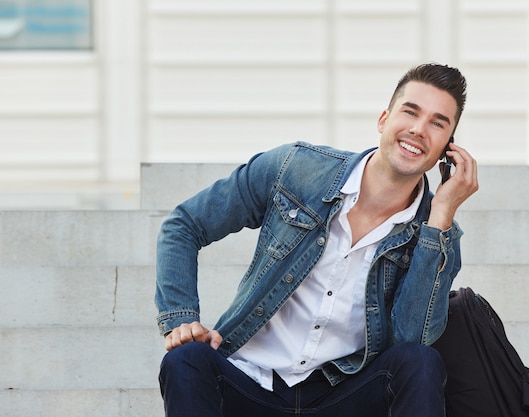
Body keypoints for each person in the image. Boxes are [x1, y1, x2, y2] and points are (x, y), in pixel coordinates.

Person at [155, 63, 479, 417]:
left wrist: (440, 218)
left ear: (447, 149)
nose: (418, 130)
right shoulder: (296, 169)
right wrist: (180, 320)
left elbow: (411, 340)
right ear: (384, 119)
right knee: (186, 360)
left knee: (420, 362)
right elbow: (184, 224)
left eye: (437, 123)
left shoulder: (437, 233)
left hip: (343, 394)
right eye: (410, 112)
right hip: (251, 381)